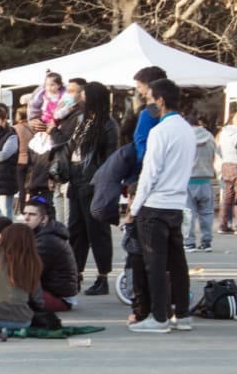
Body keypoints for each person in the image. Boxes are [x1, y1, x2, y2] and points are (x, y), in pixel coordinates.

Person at [128, 78, 194, 333]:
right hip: (177, 202)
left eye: (150, 100)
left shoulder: (160, 131)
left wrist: (134, 209)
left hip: (155, 204)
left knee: (154, 263)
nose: (148, 105)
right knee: (177, 261)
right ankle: (183, 313)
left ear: (160, 100)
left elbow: (150, 173)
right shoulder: (187, 129)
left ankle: (159, 316)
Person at [66, 81, 119, 295]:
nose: (80, 99)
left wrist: (101, 180)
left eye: (84, 96)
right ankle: (75, 273)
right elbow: (71, 147)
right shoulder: (81, 121)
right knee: (76, 229)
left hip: (95, 181)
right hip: (76, 177)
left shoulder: (108, 125)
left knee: (97, 230)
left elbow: (110, 157)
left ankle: (102, 276)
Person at [22, 194, 79, 311]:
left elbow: (30, 272)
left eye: (32, 214)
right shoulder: (41, 235)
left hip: (58, 297)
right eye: (25, 213)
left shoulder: (47, 240)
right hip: (51, 292)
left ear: (44, 219)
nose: (26, 218)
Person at [185, 114, 218, 252]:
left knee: (189, 213)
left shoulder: (185, 137)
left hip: (189, 179)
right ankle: (206, 242)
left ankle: (189, 242)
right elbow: (216, 153)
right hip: (206, 179)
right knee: (207, 213)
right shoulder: (209, 136)